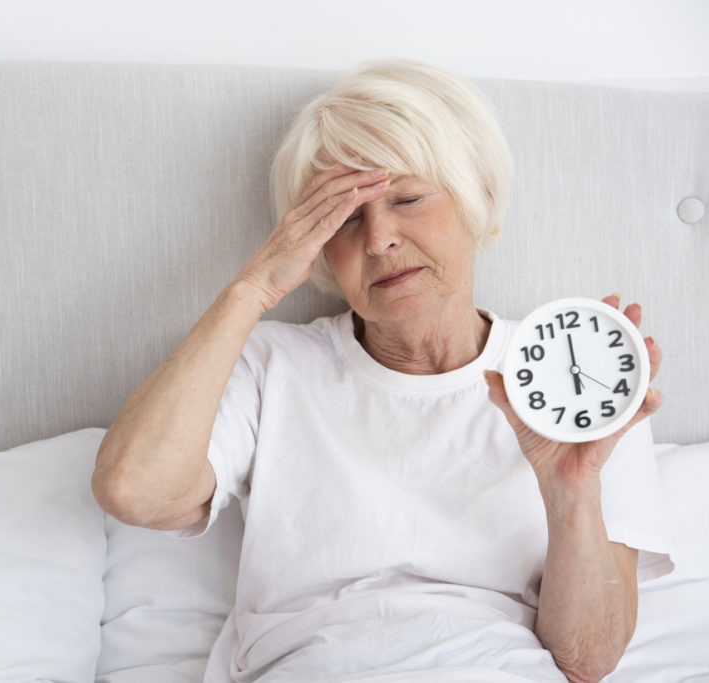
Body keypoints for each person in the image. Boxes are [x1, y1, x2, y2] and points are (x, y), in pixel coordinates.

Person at [92, 59, 672, 683]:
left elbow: (588, 659)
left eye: (408, 198)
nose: (378, 239)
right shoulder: (273, 365)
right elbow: (134, 490)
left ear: (476, 193)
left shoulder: (581, 382)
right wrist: (253, 287)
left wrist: (571, 492)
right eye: (342, 219)